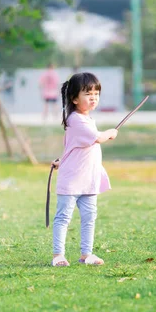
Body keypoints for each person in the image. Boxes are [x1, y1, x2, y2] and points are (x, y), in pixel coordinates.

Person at [49, 72, 118, 267]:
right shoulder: (76, 119)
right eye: (88, 93)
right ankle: (58, 255)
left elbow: (74, 147)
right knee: (63, 217)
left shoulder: (86, 119)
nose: (93, 97)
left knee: (89, 218)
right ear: (74, 98)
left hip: (88, 179)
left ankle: (86, 254)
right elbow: (97, 138)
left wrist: (61, 161)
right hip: (72, 180)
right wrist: (110, 133)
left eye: (96, 93)